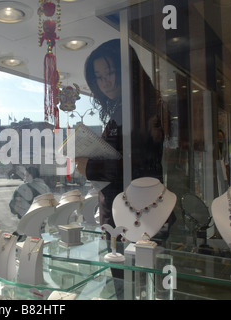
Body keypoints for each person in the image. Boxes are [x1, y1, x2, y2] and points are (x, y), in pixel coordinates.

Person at [75, 39, 172, 299]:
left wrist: (89, 166)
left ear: (126, 70)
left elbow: (137, 165)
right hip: (125, 216)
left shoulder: (138, 108)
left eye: (110, 72)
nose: (105, 82)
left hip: (135, 217)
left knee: (131, 289)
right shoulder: (127, 107)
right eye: (99, 77)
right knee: (132, 288)